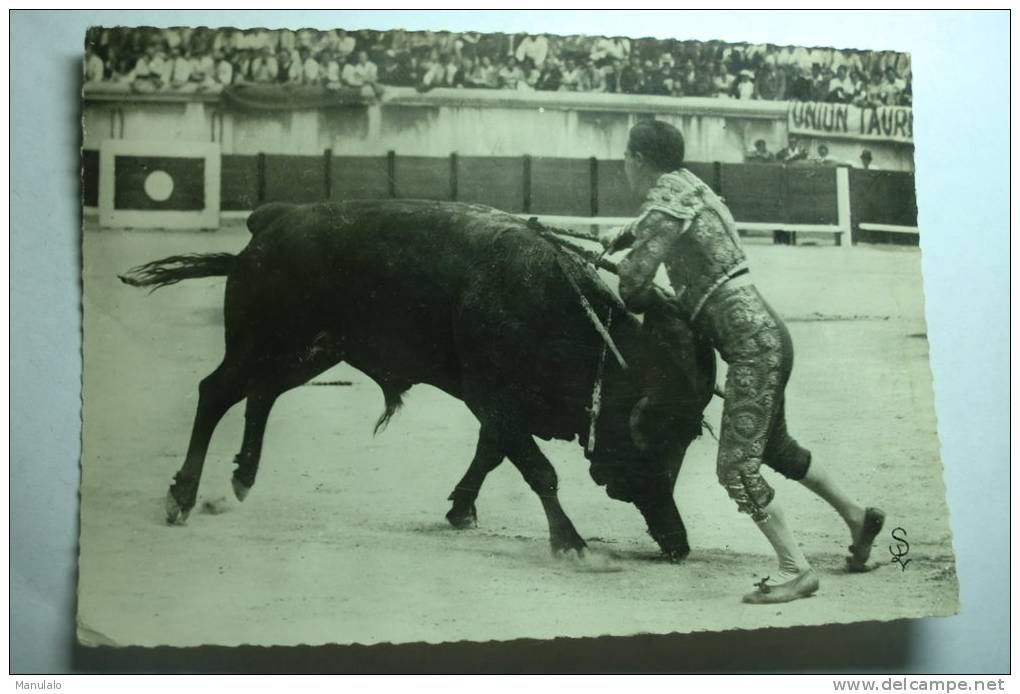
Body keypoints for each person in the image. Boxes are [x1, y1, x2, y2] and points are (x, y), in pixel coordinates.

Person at [600, 121, 885, 604]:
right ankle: (858, 518)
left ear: (638, 159)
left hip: (752, 349)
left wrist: (633, 265)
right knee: (774, 447)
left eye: (625, 157)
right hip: (771, 336)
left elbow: (633, 290)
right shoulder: (690, 186)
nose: (624, 166)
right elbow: (657, 227)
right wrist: (628, 235)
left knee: (735, 469)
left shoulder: (661, 205)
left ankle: (796, 570)